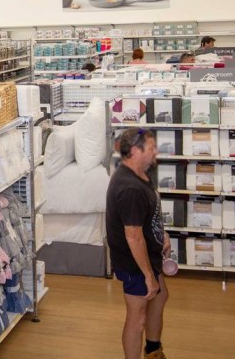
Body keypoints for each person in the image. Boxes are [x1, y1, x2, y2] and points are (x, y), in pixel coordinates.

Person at [106, 128, 171, 359]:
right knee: (138, 318)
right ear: (135, 151)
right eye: (151, 147)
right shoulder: (130, 188)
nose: (156, 151)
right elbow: (133, 236)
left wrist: (162, 234)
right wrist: (148, 276)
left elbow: (147, 215)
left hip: (148, 256)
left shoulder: (140, 173)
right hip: (135, 264)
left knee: (160, 296)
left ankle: (153, 350)